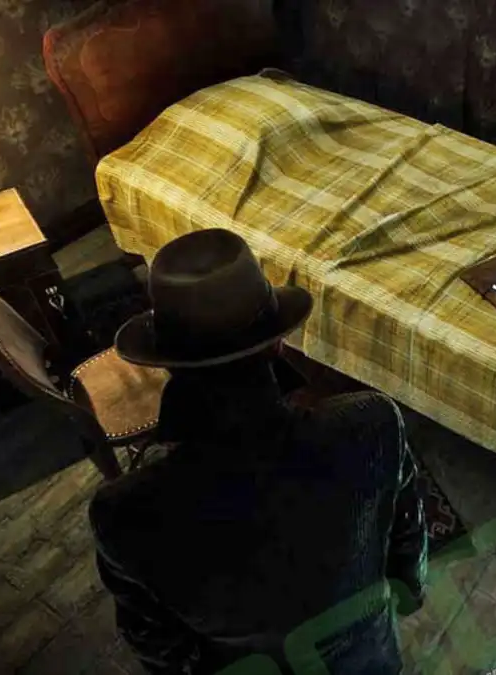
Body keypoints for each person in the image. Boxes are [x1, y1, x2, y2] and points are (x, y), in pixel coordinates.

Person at [88, 229, 427, 674]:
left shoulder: (120, 513)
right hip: (367, 660)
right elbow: (407, 546)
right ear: (277, 342)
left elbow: (160, 648)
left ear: (165, 363)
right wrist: (409, 592)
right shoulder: (373, 424)